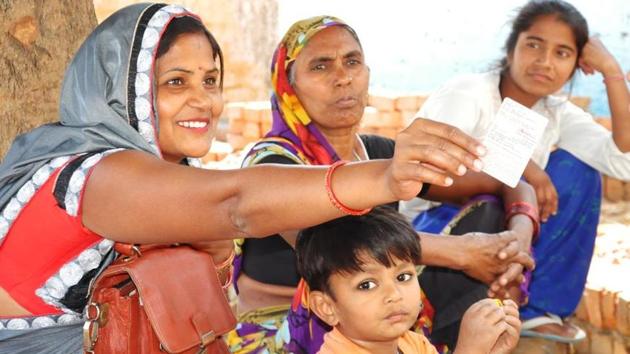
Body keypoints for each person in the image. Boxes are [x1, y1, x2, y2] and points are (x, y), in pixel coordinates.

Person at [0, 4, 489, 354]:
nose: (203, 100)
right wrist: (386, 177)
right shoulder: (95, 173)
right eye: (175, 82)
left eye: (210, 80)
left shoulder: (175, 179)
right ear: (116, 90)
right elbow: (237, 202)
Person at [229, 15, 538, 354]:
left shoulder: (376, 152)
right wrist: (463, 253)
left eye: (352, 62)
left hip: (380, 307)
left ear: (367, 74)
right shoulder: (274, 162)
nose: (343, 78)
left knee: (487, 213)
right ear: (289, 85)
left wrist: (516, 241)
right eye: (320, 66)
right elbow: (342, 245)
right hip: (300, 324)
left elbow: (503, 183)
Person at [403, 0, 630, 344]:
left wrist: (612, 71)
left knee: (580, 172)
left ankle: (535, 308)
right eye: (534, 44)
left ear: (573, 68)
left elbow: (622, 161)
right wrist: (523, 170)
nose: (544, 62)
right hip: (438, 235)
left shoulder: (555, 113)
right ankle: (468, 308)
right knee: (490, 199)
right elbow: (430, 175)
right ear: (512, 48)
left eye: (562, 53)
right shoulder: (470, 93)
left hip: (513, 230)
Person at [296, 207, 521, 354]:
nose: (394, 294)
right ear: (326, 307)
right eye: (367, 285)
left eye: (403, 277)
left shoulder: (413, 344)